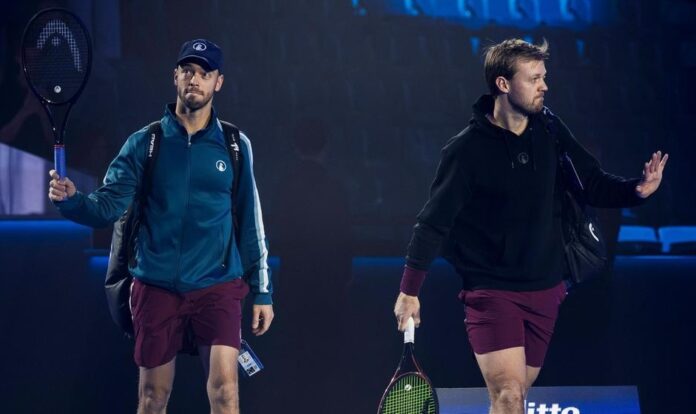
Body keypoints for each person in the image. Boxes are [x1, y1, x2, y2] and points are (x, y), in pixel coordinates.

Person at [392, 38, 668, 414]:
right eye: (534, 78)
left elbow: (591, 182)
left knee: (518, 394)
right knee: (508, 394)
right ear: (503, 84)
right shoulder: (466, 150)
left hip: (546, 290)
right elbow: (432, 224)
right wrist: (409, 291)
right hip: (491, 289)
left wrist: (637, 190)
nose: (545, 86)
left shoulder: (551, 132)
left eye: (544, 77)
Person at [48, 39, 274, 414]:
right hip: (156, 286)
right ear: (175, 77)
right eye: (188, 71)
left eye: (205, 73)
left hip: (217, 285)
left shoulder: (235, 145)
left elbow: (251, 221)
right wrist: (72, 200)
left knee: (225, 393)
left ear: (218, 82)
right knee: (153, 398)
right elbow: (106, 207)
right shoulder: (144, 143)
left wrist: (263, 291)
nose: (194, 80)